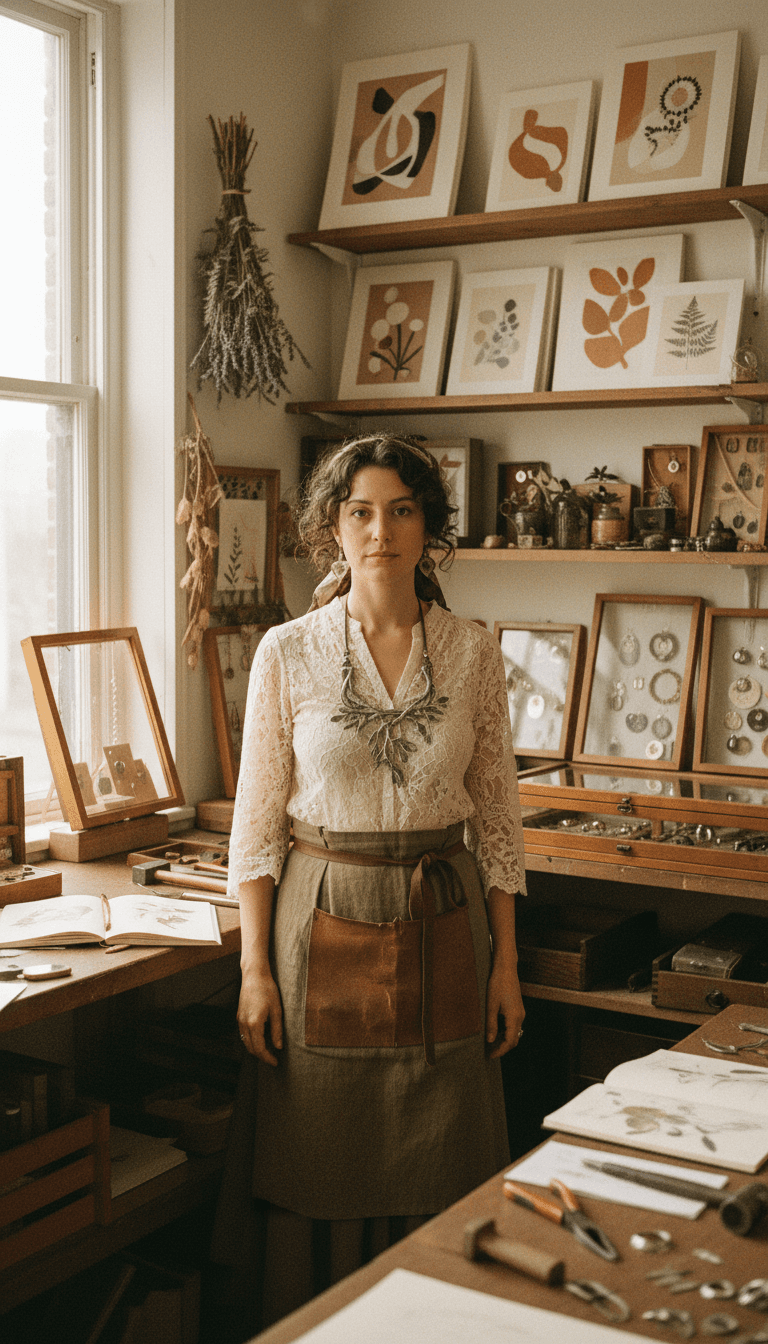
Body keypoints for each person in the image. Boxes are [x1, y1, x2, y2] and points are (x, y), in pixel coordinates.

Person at [214, 434, 527, 1329]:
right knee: (322, 1147)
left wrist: (507, 965)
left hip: (448, 922)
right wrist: (253, 971)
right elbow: (257, 823)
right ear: (331, 530)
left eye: (401, 510)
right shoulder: (286, 651)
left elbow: (500, 822)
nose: (380, 530)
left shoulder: (473, 653)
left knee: (445, 1151)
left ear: (429, 529)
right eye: (360, 512)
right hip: (320, 923)